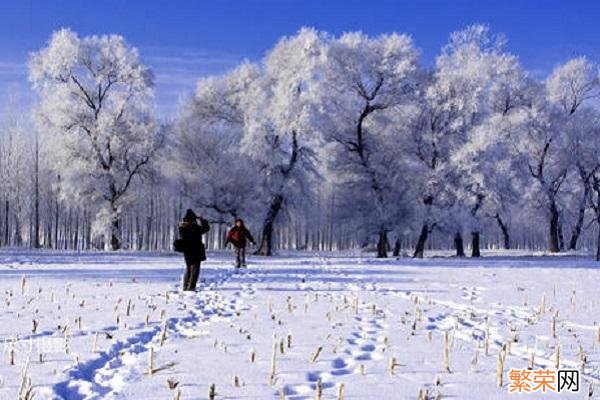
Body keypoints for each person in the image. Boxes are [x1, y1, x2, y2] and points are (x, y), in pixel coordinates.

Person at [178, 209, 210, 291]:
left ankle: (186, 286)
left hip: (187, 252)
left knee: (189, 269)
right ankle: (191, 286)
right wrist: (202, 220)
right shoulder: (195, 228)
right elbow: (206, 228)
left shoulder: (182, 228)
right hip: (196, 251)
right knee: (195, 270)